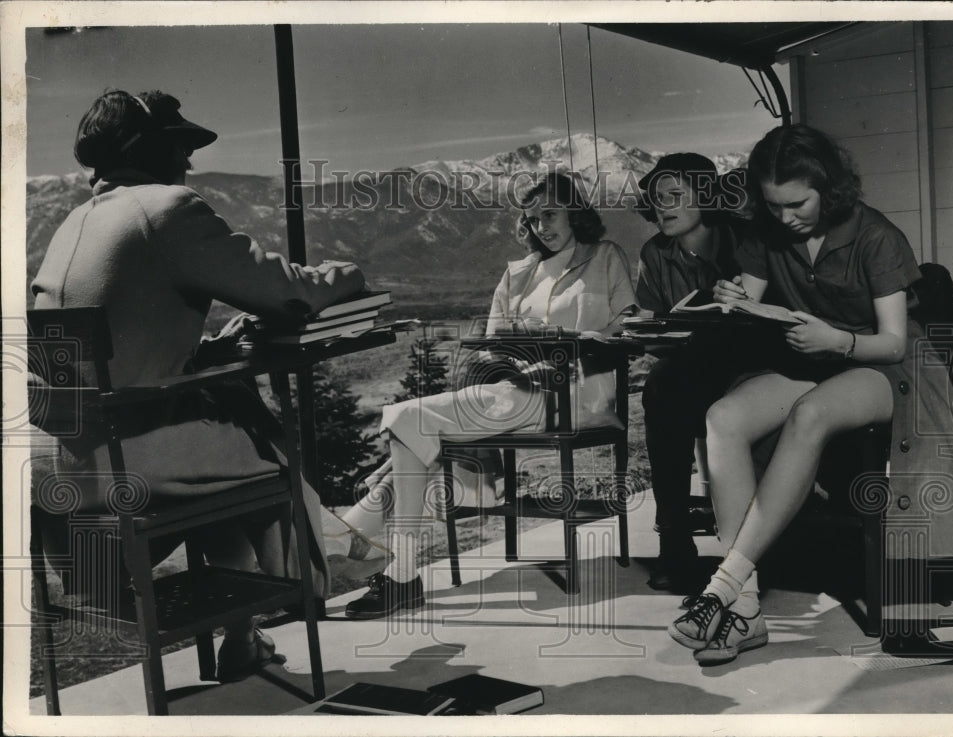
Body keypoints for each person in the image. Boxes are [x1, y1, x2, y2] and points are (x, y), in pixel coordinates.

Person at [30, 90, 366, 681]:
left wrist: (204, 350)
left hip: (60, 458)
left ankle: (245, 634)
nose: (189, 162)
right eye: (181, 146)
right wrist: (350, 275)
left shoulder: (73, 223)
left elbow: (109, 353)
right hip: (128, 461)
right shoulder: (168, 207)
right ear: (152, 149)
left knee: (226, 427)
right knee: (261, 449)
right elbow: (290, 291)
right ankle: (311, 578)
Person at [668, 124, 953, 665]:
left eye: (797, 203)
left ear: (827, 187)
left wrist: (837, 339)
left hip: (888, 367)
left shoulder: (877, 236)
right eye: (773, 205)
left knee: (810, 414)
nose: (786, 217)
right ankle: (746, 614)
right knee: (723, 418)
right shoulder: (766, 232)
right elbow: (753, 302)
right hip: (807, 354)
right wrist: (734, 297)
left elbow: (892, 341)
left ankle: (723, 586)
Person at [336, 172, 638, 619]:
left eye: (550, 214)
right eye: (533, 220)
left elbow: (627, 327)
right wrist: (520, 352)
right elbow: (492, 343)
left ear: (575, 211)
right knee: (410, 427)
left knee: (409, 423)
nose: (542, 226)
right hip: (518, 389)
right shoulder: (517, 274)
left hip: (577, 393)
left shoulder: (604, 257)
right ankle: (382, 564)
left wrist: (574, 338)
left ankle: (355, 549)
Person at [633, 153, 749, 593]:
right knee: (662, 388)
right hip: (686, 369)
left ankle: (744, 549)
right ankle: (675, 546)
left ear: (705, 195)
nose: (664, 205)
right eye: (659, 198)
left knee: (670, 386)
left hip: (746, 363)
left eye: (676, 195)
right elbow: (647, 318)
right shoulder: (655, 253)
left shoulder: (739, 241)